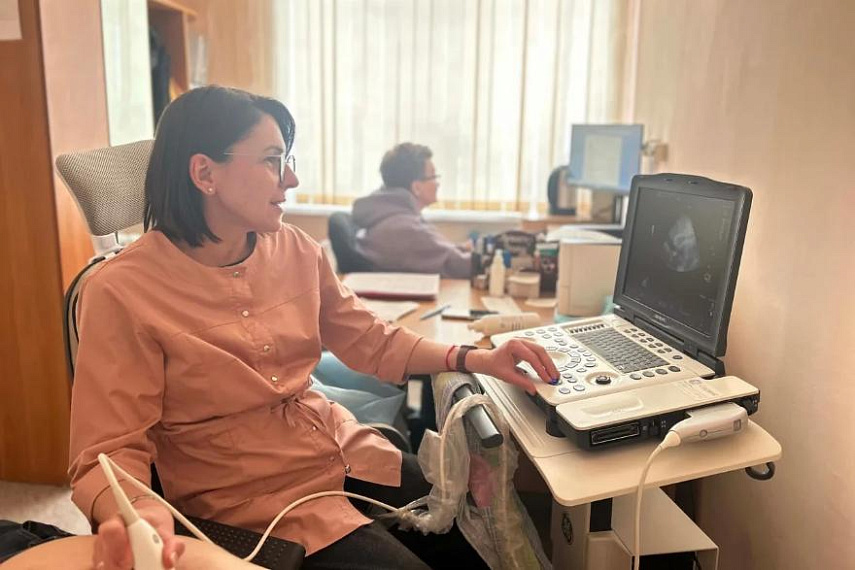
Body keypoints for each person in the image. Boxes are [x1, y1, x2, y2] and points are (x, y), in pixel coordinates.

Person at [66, 86, 559, 570]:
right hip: (249, 503)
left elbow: (371, 340)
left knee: (480, 522)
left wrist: (476, 358)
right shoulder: (121, 290)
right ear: (205, 173)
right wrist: (138, 512)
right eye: (272, 161)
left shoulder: (296, 250)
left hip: (339, 450)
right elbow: (105, 452)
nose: (292, 179)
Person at [352, 143, 473, 278]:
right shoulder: (406, 229)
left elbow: (436, 251)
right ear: (416, 188)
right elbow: (463, 267)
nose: (438, 183)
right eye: (433, 177)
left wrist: (462, 248)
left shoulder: (392, 218)